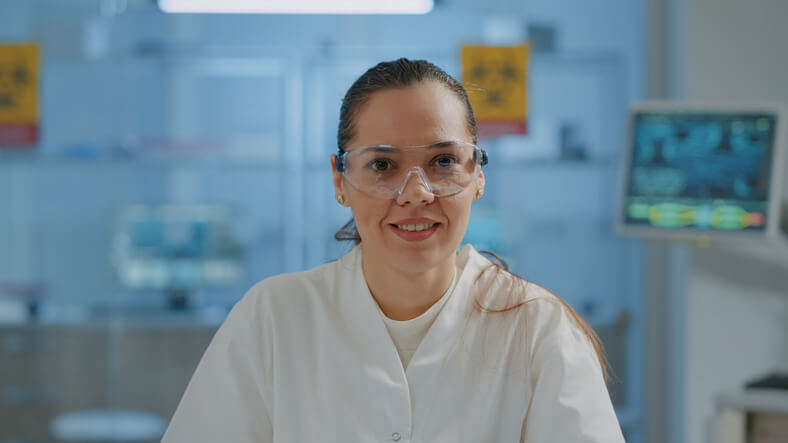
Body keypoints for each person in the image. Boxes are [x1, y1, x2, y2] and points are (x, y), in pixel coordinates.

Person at [161, 58, 625, 442]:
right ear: (340, 180)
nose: (415, 193)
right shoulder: (273, 317)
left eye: (442, 161)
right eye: (382, 164)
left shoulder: (539, 329)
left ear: (479, 175)